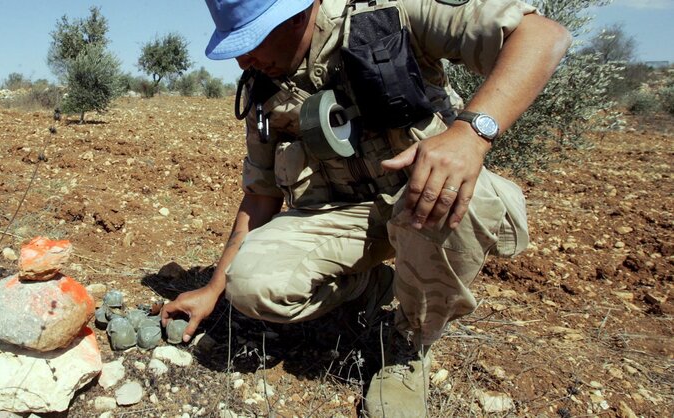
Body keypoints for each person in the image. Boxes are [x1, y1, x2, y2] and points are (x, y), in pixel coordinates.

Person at [162, 0, 571, 416]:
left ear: (299, 13)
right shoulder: (263, 87)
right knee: (251, 286)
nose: (244, 58)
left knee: (466, 198)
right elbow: (260, 194)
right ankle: (371, 286)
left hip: (421, 203)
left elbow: (543, 36)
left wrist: (471, 134)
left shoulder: (392, 14)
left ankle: (409, 345)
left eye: (253, 38)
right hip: (343, 220)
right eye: (236, 44)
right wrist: (214, 289)